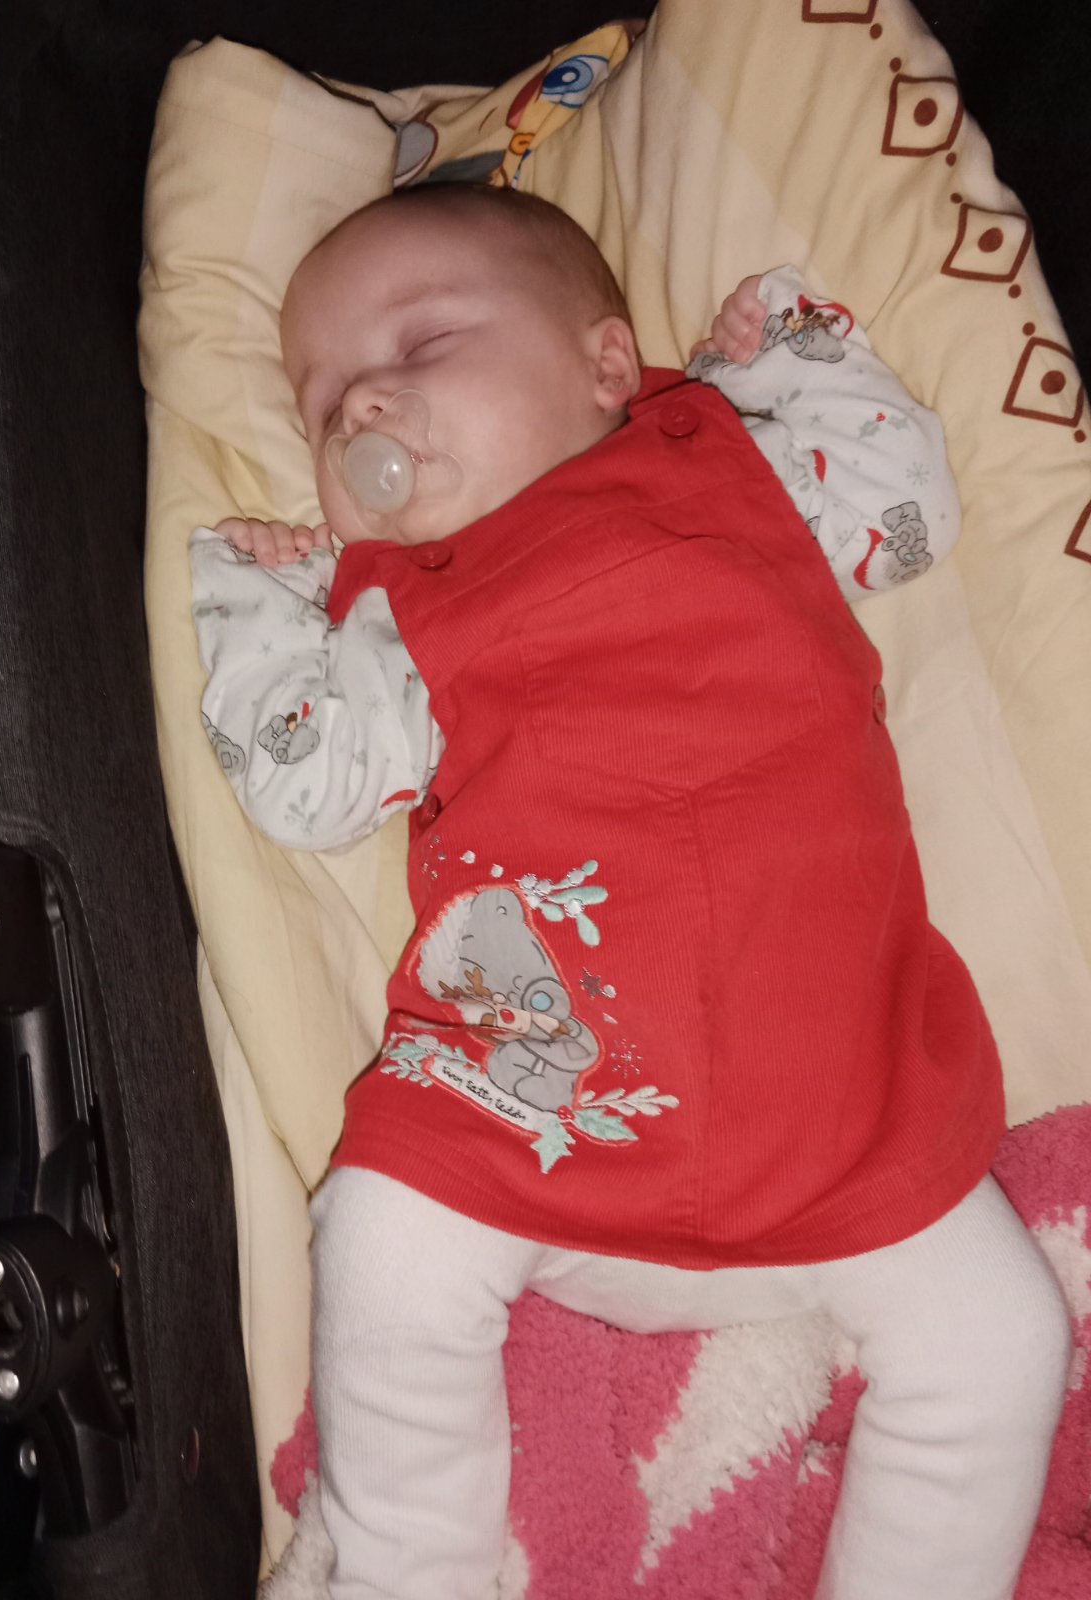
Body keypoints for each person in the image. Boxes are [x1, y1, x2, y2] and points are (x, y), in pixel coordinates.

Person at [190, 185, 1069, 1600]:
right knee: (382, 1235)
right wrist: (261, 604)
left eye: (420, 347)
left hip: (848, 1118)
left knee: (1000, 1336)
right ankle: (407, 1571)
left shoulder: (734, 467)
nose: (363, 410)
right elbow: (307, 786)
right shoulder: (405, 602)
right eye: (323, 403)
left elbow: (905, 507)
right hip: (532, 1108)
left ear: (607, 364)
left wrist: (786, 350)